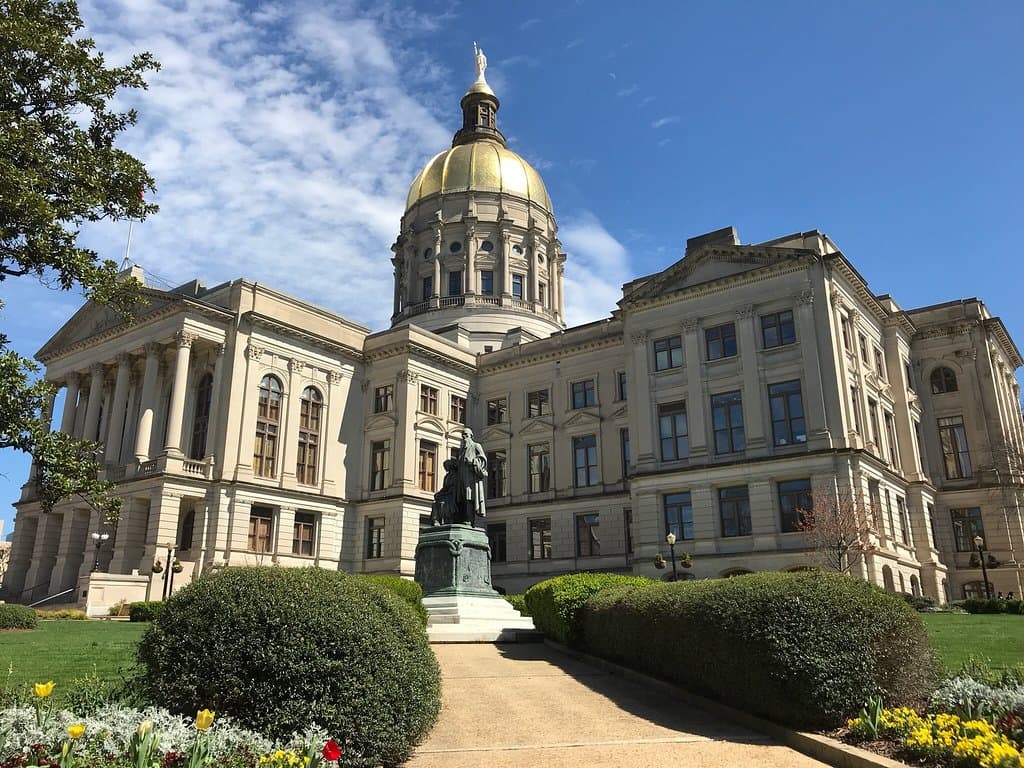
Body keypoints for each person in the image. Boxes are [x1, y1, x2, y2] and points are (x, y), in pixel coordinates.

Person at [456, 427, 488, 525]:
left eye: (466, 434)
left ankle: (469, 519)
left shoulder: (476, 446)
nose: (464, 437)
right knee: (461, 497)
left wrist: (473, 462)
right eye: (463, 435)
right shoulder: (461, 450)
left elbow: (483, 459)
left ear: (471, 435)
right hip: (461, 475)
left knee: (469, 496)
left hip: (471, 476)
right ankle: (462, 518)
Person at [431, 459, 458, 526]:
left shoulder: (456, 475)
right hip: (446, 494)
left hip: (452, 495)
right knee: (435, 503)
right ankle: (436, 519)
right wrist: (439, 493)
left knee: (443, 503)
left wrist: (445, 493)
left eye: (446, 466)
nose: (445, 468)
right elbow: (444, 488)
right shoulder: (446, 476)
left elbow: (455, 487)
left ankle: (445, 520)